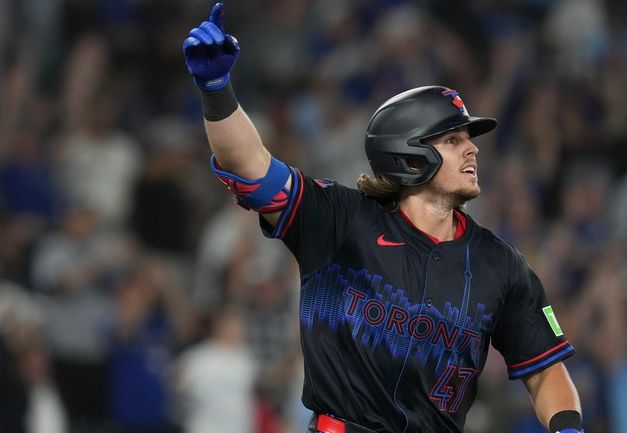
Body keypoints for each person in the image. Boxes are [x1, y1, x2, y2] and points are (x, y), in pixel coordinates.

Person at [182, 4, 583, 433]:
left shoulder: (500, 264)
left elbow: (546, 371)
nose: (473, 150)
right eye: (453, 139)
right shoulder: (338, 219)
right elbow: (249, 166)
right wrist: (216, 88)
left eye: (469, 139)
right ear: (409, 154)